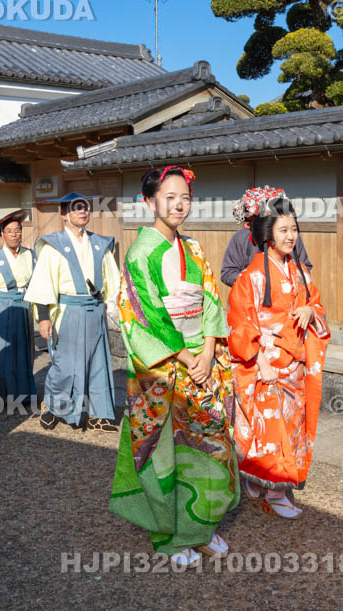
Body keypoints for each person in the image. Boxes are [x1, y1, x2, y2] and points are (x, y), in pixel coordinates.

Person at [109, 166, 238, 569]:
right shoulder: (139, 254)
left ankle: (200, 526)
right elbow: (140, 319)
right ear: (149, 202)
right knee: (165, 452)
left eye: (185, 196)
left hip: (202, 360)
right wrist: (185, 357)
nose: (179, 204)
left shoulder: (195, 249)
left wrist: (209, 350)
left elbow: (212, 304)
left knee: (210, 447)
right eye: (170, 196)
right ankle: (167, 535)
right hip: (165, 368)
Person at [227, 194, 330, 519]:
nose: (291, 236)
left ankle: (263, 481)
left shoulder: (300, 272)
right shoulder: (251, 277)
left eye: (294, 229)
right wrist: (259, 362)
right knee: (272, 431)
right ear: (268, 234)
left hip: (296, 365)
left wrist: (309, 310)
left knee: (292, 426)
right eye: (284, 230)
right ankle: (276, 490)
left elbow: (317, 305)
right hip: (266, 366)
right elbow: (240, 325)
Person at [25, 193, 118, 431]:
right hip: (68, 310)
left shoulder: (100, 244)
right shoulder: (53, 245)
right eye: (76, 209)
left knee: (98, 363)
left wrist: (114, 309)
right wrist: (44, 318)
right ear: (64, 215)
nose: (82, 212)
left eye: (85, 208)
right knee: (64, 364)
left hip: (95, 308)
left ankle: (99, 414)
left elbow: (113, 280)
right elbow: (43, 282)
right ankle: (52, 407)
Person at [0, 209, 37, 411]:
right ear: (2, 235)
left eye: (18, 230)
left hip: (25, 306)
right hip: (2, 306)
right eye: (10, 231)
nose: (15, 234)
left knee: (24, 350)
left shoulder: (31, 256)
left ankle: (23, 393)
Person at [221, 186, 312, 287]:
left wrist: (289, 280)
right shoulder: (240, 238)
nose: (290, 235)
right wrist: (257, 281)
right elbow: (227, 273)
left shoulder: (292, 238)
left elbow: (305, 267)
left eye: (294, 229)